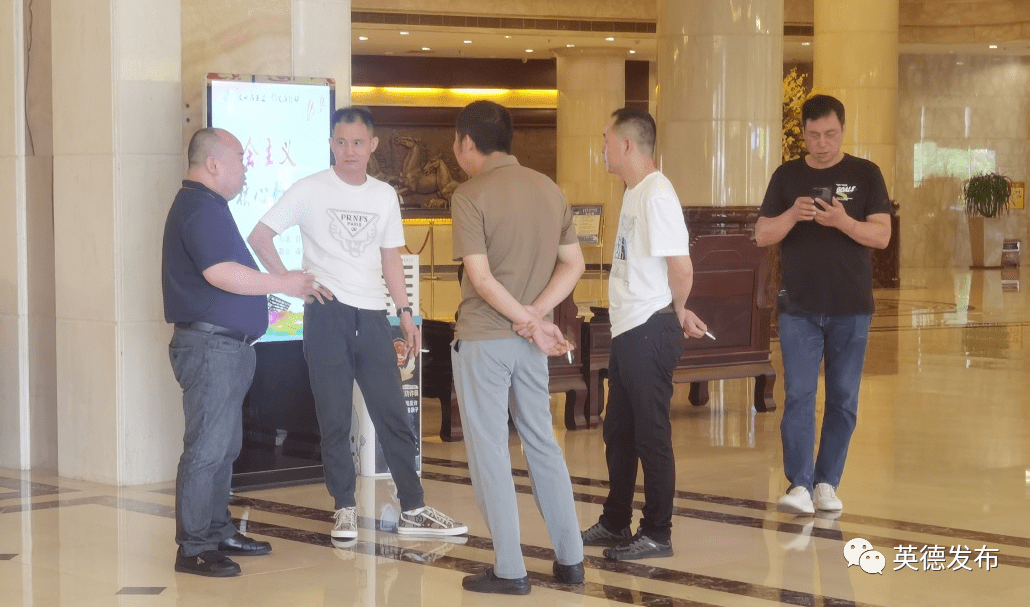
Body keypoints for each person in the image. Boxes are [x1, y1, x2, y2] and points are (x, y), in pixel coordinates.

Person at [247, 107, 467, 541]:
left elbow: (391, 257)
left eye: (358, 142)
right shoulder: (309, 188)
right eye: (341, 142)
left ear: (373, 145)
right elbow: (259, 236)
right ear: (331, 144)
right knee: (333, 418)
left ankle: (414, 507)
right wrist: (290, 281)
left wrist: (405, 312)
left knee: (394, 414)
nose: (349, 150)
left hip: (373, 316)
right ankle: (344, 507)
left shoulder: (383, 195)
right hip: (326, 314)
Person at [163, 127, 320, 577]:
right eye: (239, 157)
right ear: (213, 163)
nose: (246, 167)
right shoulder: (198, 207)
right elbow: (220, 273)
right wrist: (283, 282)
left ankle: (217, 530)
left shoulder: (208, 205)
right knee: (207, 449)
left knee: (224, 447)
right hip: (211, 348)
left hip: (225, 348)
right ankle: (194, 547)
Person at [449, 100, 586, 595]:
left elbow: (482, 280)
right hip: (530, 344)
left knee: (490, 451)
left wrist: (526, 320)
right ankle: (571, 559)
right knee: (542, 444)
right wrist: (536, 318)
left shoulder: (469, 194)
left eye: (456, 142)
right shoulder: (549, 189)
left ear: (467, 143)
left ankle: (510, 569)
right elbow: (574, 264)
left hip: (485, 339)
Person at [580, 108, 708, 561]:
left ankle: (657, 532)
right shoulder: (635, 192)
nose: (602, 148)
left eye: (606, 139)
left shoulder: (656, 194)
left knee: (651, 436)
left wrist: (677, 310)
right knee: (619, 433)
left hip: (649, 329)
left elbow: (682, 267)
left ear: (627, 144)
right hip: (629, 328)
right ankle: (616, 521)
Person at [755, 94, 892, 515]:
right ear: (803, 133)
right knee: (798, 395)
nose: (822, 144)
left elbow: (882, 235)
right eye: (814, 135)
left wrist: (843, 222)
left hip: (851, 306)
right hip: (798, 308)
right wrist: (792, 215)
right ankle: (799, 483)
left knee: (843, 399)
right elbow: (761, 234)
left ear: (843, 130)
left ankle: (827, 483)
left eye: (830, 134)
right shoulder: (787, 176)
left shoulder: (866, 173)